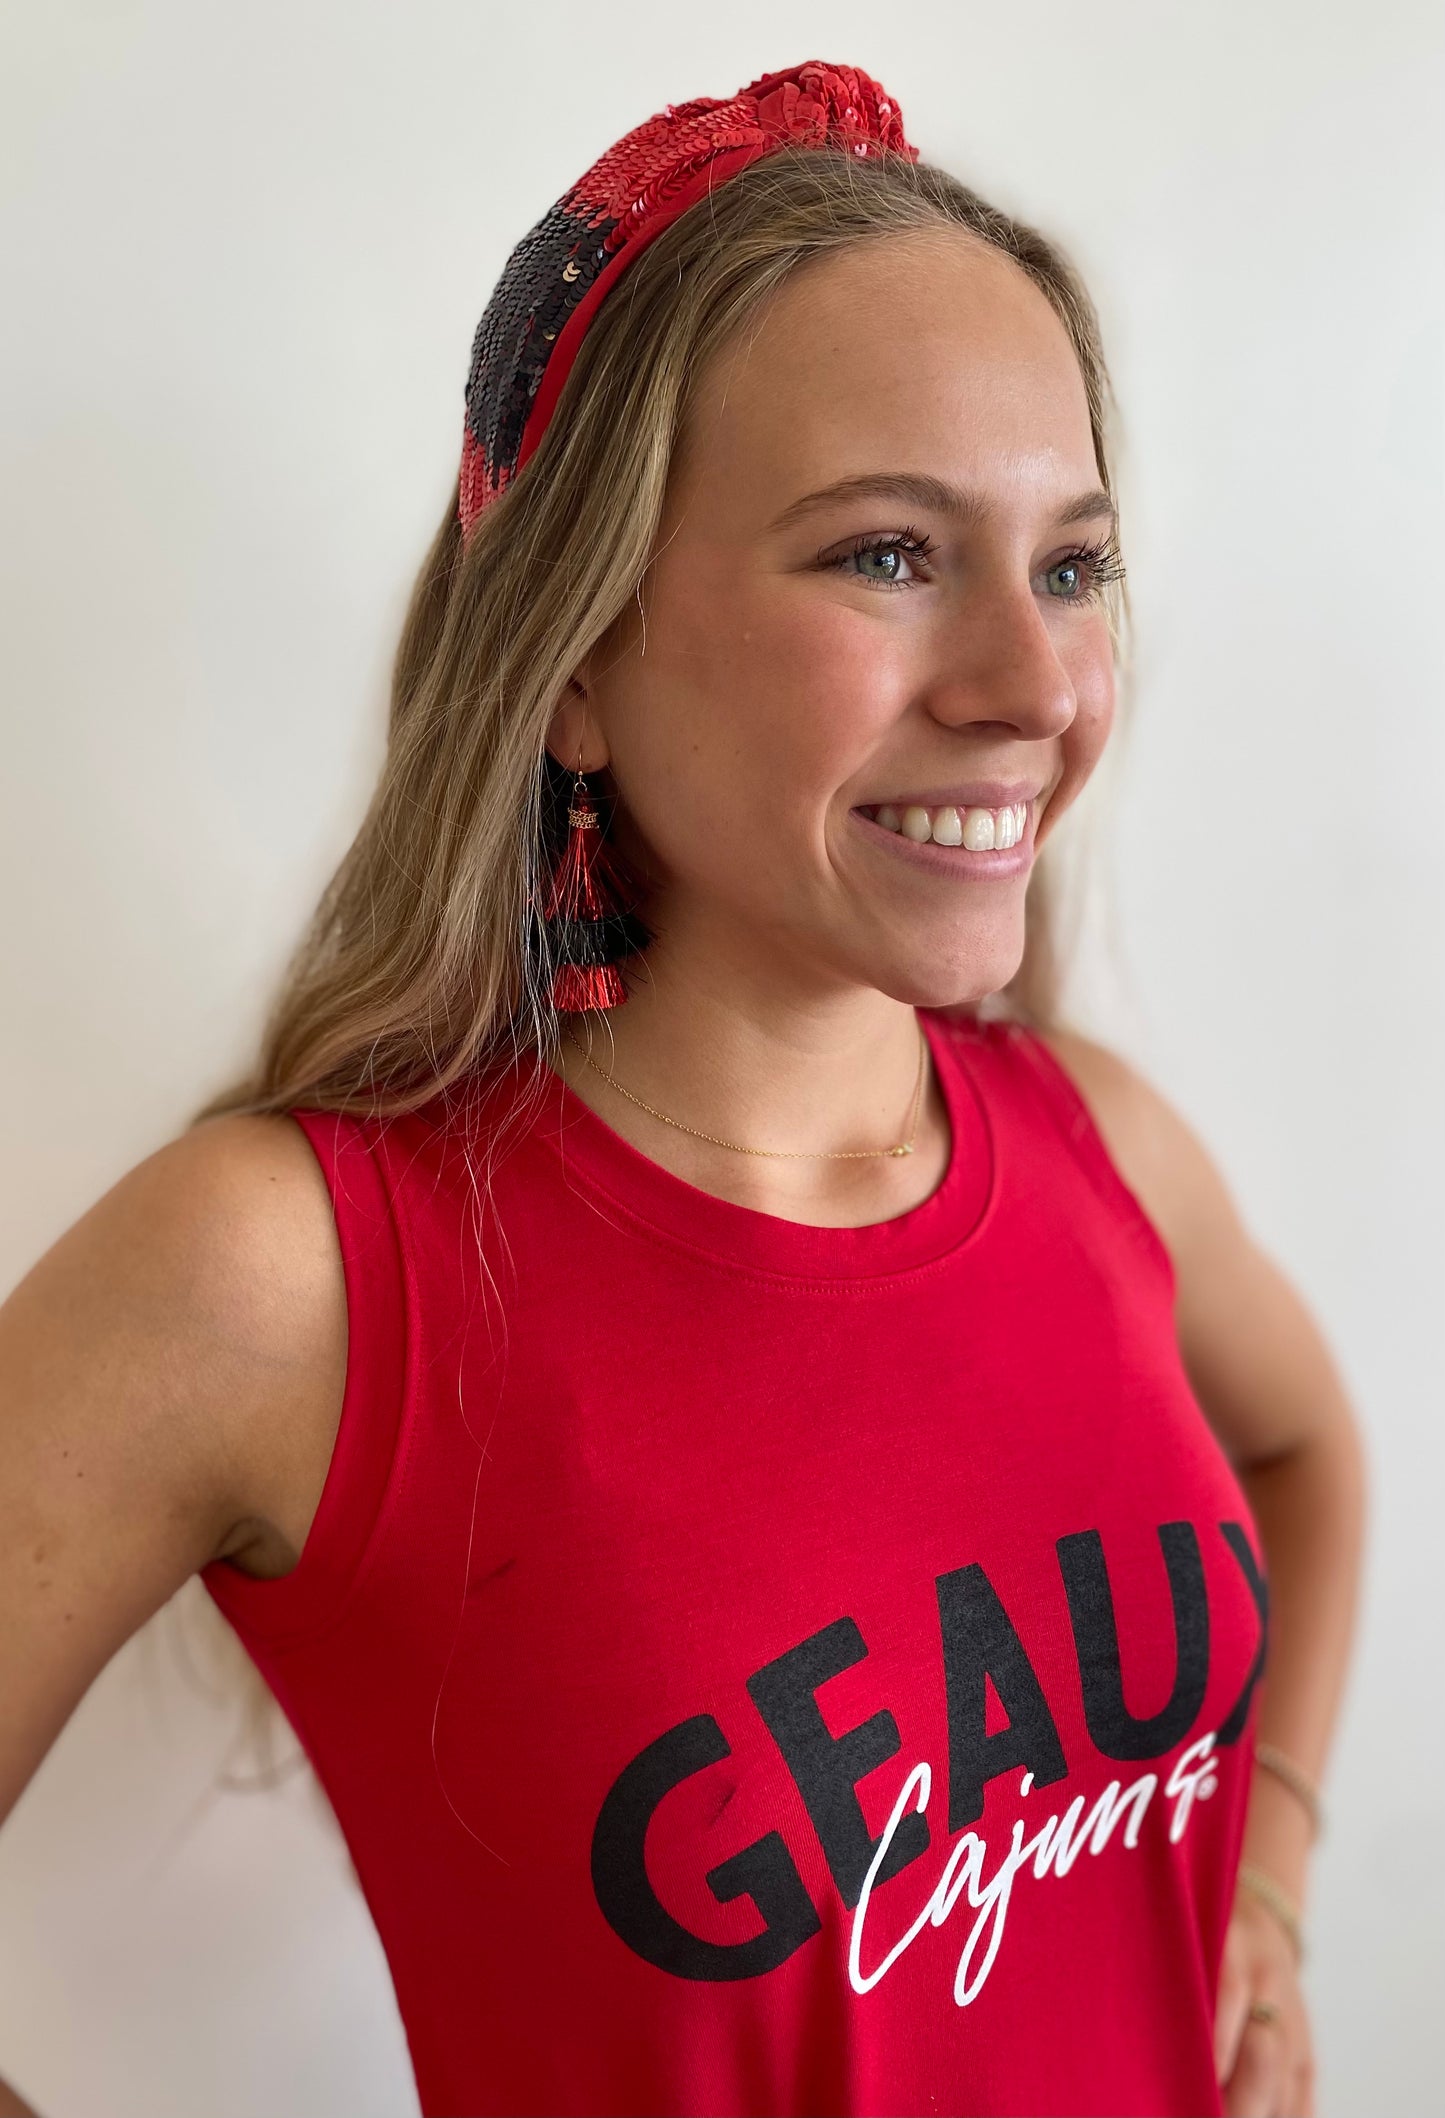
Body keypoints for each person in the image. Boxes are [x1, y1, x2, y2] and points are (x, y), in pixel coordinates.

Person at [0, 58, 1366, 2118]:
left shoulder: (1102, 1150)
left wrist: (1266, 1874)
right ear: (574, 657)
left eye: (1072, 563)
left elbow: (1314, 1457)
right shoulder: (295, 1277)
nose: (1032, 685)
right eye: (890, 558)